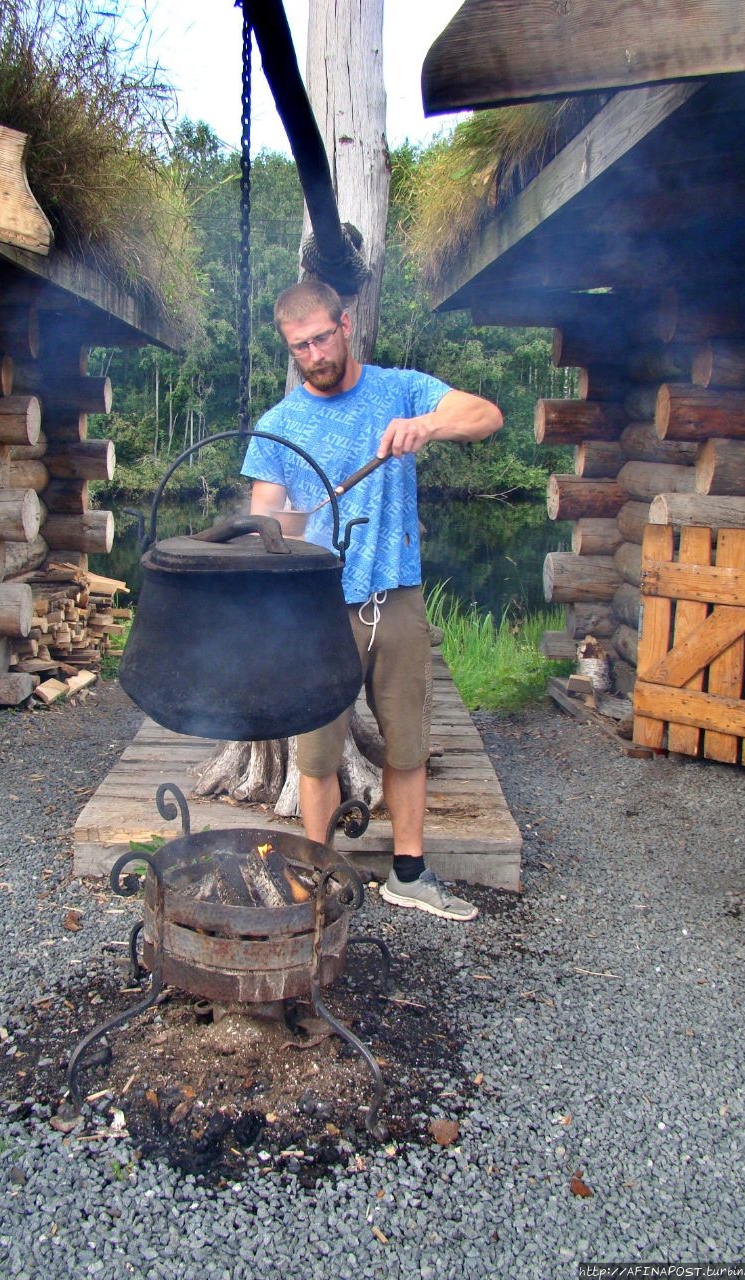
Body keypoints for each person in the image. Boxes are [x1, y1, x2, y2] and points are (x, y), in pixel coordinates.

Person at [242, 279, 503, 922]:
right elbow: (263, 524)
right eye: (299, 347)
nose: (314, 355)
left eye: (322, 339)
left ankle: (408, 872)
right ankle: (313, 875)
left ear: (346, 324)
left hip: (398, 595)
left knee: (408, 742)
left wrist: (428, 425)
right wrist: (286, 527)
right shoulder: (278, 427)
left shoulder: (399, 389)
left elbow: (487, 415)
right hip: (320, 610)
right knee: (318, 754)